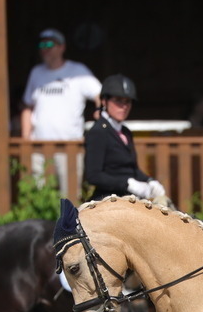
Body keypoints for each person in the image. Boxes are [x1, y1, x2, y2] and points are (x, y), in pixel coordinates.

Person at [20, 28, 102, 193]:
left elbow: (100, 93)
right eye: (42, 44)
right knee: (38, 196)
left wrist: (100, 110)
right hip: (39, 147)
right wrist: (26, 137)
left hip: (68, 146)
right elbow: (28, 106)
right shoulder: (36, 73)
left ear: (62, 47)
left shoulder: (78, 71)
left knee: (69, 197)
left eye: (50, 44)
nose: (45, 48)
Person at [83, 74, 166, 201]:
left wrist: (149, 180)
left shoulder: (126, 132)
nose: (124, 106)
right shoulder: (98, 131)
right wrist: (127, 183)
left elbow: (132, 169)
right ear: (105, 101)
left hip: (129, 198)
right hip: (108, 198)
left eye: (127, 102)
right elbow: (93, 175)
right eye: (118, 100)